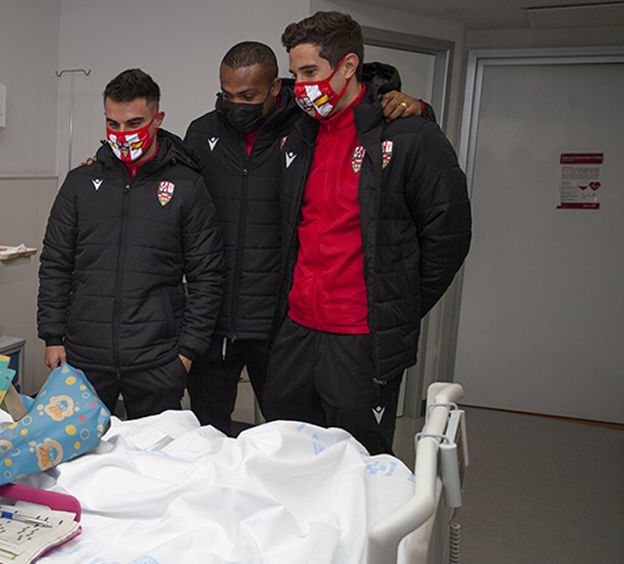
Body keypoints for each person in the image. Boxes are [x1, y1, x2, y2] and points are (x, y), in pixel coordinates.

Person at [183, 41, 427, 436]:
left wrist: (416, 106)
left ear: (275, 88)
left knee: (291, 437)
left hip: (280, 322)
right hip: (216, 319)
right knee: (207, 436)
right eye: (227, 95)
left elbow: (360, 112)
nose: (235, 105)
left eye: (248, 96)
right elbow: (165, 172)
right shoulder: (202, 132)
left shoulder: (305, 127)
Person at [264, 11, 472, 455]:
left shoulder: (410, 134)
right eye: (295, 74)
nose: (300, 87)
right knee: (287, 455)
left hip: (361, 338)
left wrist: (397, 301)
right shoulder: (298, 136)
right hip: (298, 329)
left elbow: (448, 237)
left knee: (361, 463)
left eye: (310, 73)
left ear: (348, 66)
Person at [38, 68, 225, 419]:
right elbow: (55, 263)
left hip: (157, 359)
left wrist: (187, 352)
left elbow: (207, 276)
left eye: (134, 123)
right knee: (79, 464)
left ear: (158, 119)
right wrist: (52, 337)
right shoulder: (80, 182)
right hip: (84, 356)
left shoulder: (187, 186)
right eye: (114, 124)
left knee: (154, 463)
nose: (122, 135)